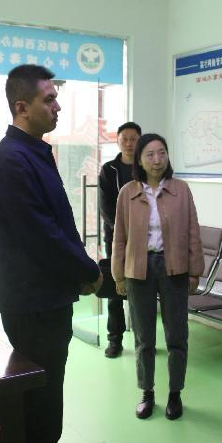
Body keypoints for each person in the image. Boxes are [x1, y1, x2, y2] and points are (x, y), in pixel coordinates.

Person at [0, 64, 102, 443]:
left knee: (47, 401)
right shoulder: (11, 159)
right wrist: (88, 271)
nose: (57, 107)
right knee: (39, 411)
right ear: (22, 107)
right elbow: (42, 235)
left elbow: (56, 224)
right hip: (33, 305)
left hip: (47, 299)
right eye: (49, 100)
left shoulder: (32, 152)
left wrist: (79, 271)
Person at [111, 133, 204, 421]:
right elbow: (119, 237)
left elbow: (193, 232)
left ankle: (175, 393)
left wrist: (195, 271)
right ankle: (147, 392)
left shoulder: (181, 189)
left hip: (173, 266)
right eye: (150, 154)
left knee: (177, 334)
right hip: (138, 268)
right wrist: (118, 275)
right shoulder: (127, 192)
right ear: (139, 160)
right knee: (144, 336)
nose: (157, 159)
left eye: (162, 153)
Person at [99, 121, 141, 358]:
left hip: (144, 239)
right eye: (124, 138)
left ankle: (143, 340)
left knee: (141, 289)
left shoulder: (147, 167)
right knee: (115, 288)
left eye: (133, 139)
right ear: (117, 141)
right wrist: (121, 231)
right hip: (115, 238)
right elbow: (105, 206)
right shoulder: (109, 169)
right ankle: (114, 340)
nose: (128, 143)